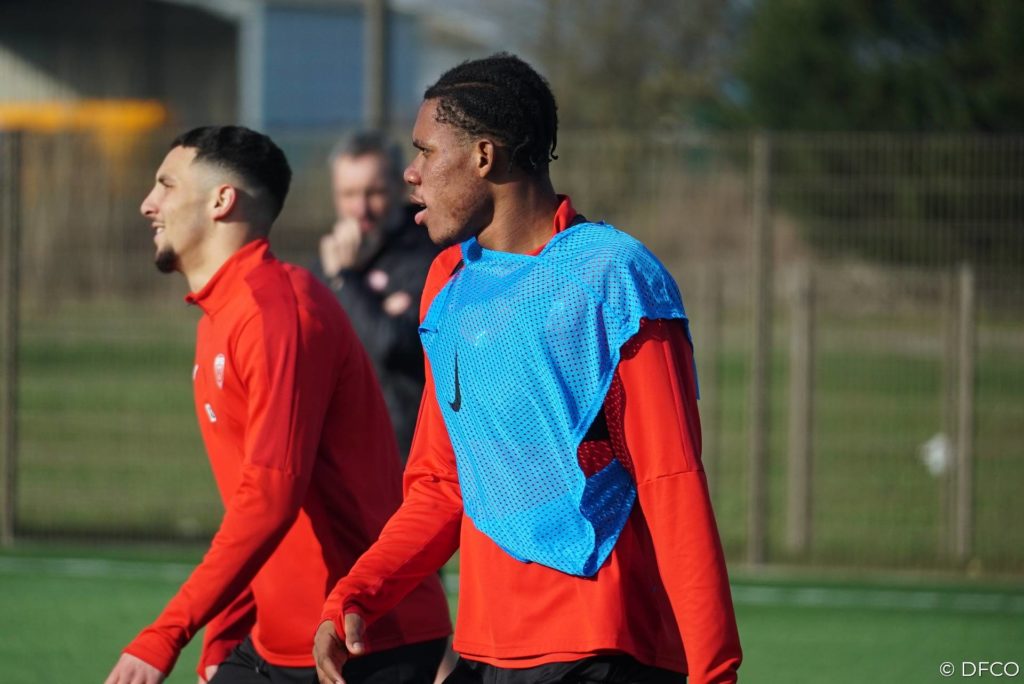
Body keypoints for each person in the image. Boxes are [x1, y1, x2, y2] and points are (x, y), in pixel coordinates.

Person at [314, 53, 742, 684]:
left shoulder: (613, 275)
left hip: (600, 648)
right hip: (485, 650)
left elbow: (671, 478)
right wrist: (356, 593)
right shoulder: (448, 282)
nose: (411, 172)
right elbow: (440, 485)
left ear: (484, 157)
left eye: (426, 151)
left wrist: (714, 671)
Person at [104, 125, 451, 684]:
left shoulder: (278, 312)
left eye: (166, 185)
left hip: (363, 643)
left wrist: (166, 633)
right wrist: (225, 629)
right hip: (276, 642)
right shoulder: (222, 317)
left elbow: (272, 497)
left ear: (221, 200)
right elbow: (257, 505)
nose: (149, 204)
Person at [311, 131, 439, 462]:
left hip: (403, 448)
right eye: (349, 194)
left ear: (399, 187)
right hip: (339, 447)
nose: (361, 208)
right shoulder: (325, 262)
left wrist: (346, 281)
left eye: (374, 193)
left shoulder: (426, 253)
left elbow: (389, 344)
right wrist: (375, 307)